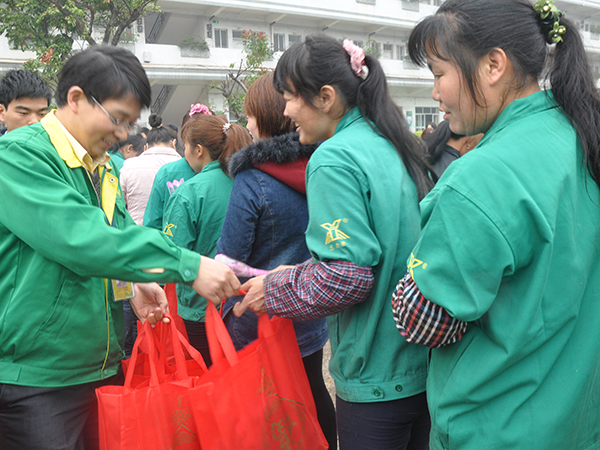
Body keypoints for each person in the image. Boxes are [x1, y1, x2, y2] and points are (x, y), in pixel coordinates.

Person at [0, 45, 239, 450]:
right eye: (117, 119)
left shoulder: (105, 164)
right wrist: (188, 265)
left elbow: (118, 230)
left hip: (101, 367)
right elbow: (82, 239)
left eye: (130, 122)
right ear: (75, 99)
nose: (124, 134)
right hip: (38, 378)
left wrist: (134, 281)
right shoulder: (20, 158)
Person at [391, 1, 600, 449]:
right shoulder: (578, 134)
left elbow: (421, 322)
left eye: (438, 72)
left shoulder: (481, 176)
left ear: (493, 65)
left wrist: (411, 277)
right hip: (575, 420)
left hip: (496, 425)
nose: (435, 92)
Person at [232, 35, 434, 450]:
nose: (286, 112)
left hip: (375, 379)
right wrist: (301, 271)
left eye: (289, 98)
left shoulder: (333, 158)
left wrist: (274, 290)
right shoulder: (392, 143)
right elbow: (376, 254)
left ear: (325, 97)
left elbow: (347, 278)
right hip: (422, 372)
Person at [216, 72, 337, 449]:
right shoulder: (323, 168)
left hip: (259, 315)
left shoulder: (253, 178)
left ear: (267, 117)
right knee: (313, 390)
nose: (247, 124)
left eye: (250, 115)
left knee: (266, 408)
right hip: (309, 308)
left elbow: (229, 256)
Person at [162, 114, 251, 366]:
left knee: (210, 377)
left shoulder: (189, 192)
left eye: (185, 147)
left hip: (202, 307)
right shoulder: (248, 181)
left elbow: (171, 253)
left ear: (198, 150)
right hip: (246, 300)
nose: (184, 153)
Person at [143, 103, 213, 230]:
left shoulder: (167, 173)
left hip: (172, 247)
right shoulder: (228, 174)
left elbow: (152, 224)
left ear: (184, 138)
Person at [119, 113, 180, 225]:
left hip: (136, 233)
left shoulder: (129, 165)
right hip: (173, 235)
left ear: (146, 147)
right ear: (173, 143)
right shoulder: (184, 166)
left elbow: (118, 202)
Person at [0, 69, 52, 135]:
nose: (34, 122)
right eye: (24, 113)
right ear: (1, 112)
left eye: (42, 114)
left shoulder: (58, 144)